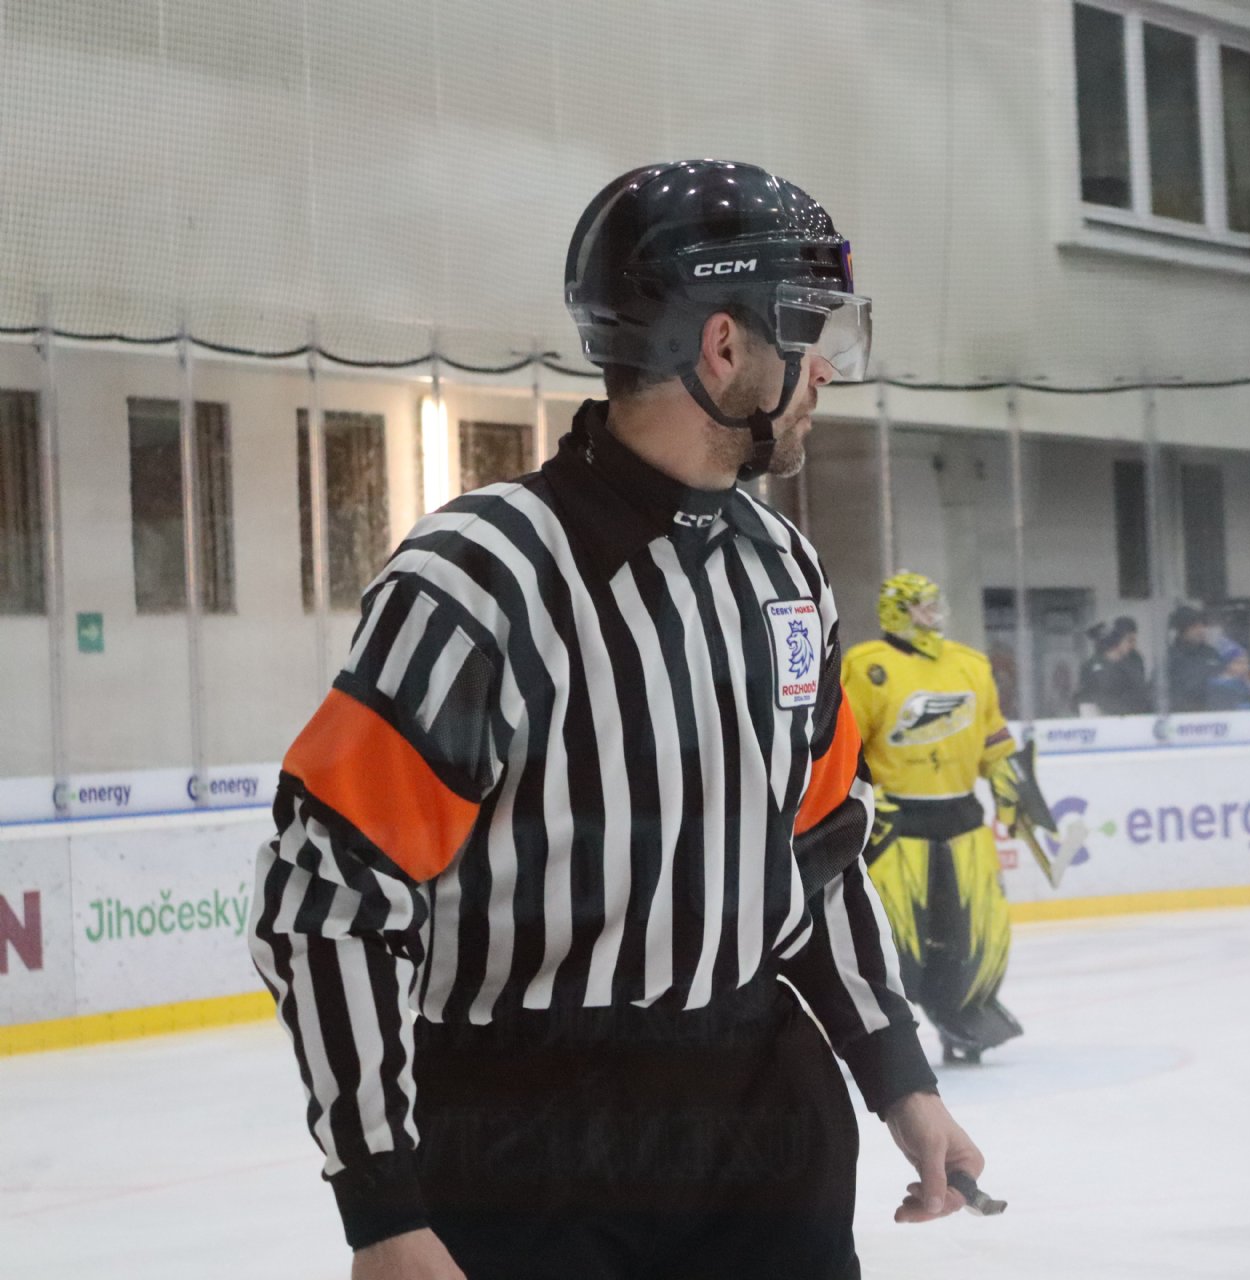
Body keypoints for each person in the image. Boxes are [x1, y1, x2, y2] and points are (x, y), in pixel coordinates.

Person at [250, 160, 984, 1280]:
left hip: (762, 1123)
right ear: (723, 346)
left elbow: (820, 847)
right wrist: (382, 1204)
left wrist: (898, 1077)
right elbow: (329, 901)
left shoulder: (785, 571)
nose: (828, 366)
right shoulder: (477, 578)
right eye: (807, 329)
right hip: (523, 1146)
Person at [843, 571, 1047, 1064]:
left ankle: (964, 1013)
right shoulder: (867, 666)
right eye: (922, 606)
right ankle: (876, 1031)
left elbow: (994, 738)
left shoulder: (970, 665)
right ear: (896, 611)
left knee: (975, 933)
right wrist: (861, 797)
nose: (933, 614)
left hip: (963, 821)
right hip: (897, 827)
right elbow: (843, 745)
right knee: (894, 941)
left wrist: (1008, 783)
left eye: (935, 604)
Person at [1075, 616, 1152, 716]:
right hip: (1105, 719)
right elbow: (1087, 699)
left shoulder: (1135, 660)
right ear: (1117, 640)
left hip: (1135, 717)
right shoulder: (1091, 666)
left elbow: (1140, 692)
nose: (1133, 645)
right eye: (1129, 640)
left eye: (1134, 640)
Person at [1167, 605, 1223, 712]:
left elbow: (1224, 683)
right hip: (1183, 716)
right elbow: (1161, 692)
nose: (1201, 630)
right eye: (1195, 627)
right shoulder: (1170, 658)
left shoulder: (1211, 654)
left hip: (1214, 714)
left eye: (1202, 626)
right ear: (1183, 630)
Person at [1204, 643, 1250, 711]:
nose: (1245, 666)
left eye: (1246, 663)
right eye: (1239, 663)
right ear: (1228, 664)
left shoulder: (1245, 683)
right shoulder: (1218, 686)